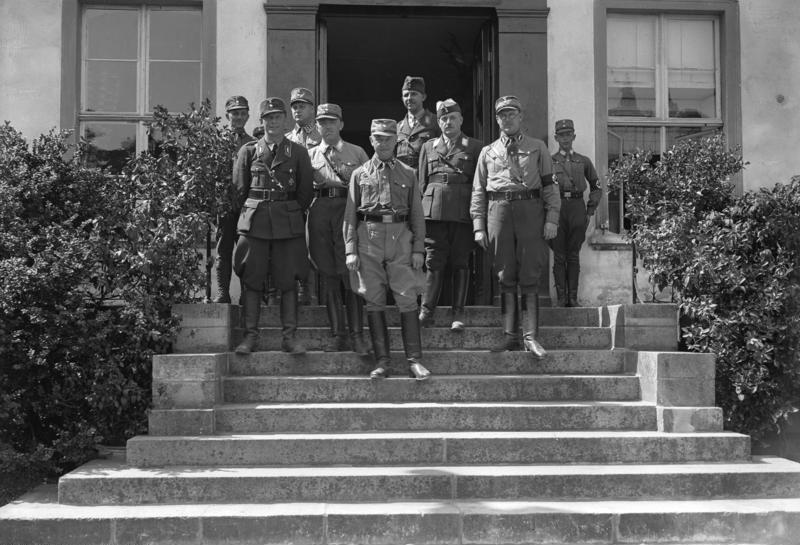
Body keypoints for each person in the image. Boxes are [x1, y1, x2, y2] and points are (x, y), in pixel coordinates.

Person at [470, 95, 560, 359]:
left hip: (530, 211)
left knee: (530, 272)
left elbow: (550, 186)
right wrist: (479, 225)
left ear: (521, 117)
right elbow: (478, 191)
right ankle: (510, 336)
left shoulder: (538, 147)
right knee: (504, 273)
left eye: (512, 114)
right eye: (502, 115)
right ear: (497, 119)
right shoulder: (488, 152)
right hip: (498, 212)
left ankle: (531, 337)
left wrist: (552, 218)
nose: (507, 119)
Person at [343, 119, 430, 381]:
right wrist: (351, 249)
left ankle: (414, 360)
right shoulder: (359, 174)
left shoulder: (408, 173)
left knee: (407, 297)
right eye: (378, 138)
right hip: (368, 238)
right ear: (371, 140)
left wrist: (418, 249)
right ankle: (382, 361)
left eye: (388, 138)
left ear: (397, 141)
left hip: (400, 237)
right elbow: (350, 216)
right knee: (373, 298)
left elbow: (417, 215)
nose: (383, 143)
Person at [232, 97, 314, 355]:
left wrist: (286, 209)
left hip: (287, 223)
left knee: (287, 281)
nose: (273, 122)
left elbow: (305, 192)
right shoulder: (248, 151)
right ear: (262, 121)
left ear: (285, 120)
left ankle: (289, 338)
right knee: (253, 279)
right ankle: (250, 337)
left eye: (278, 117)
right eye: (268, 118)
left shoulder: (298, 152)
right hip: (255, 223)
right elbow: (239, 190)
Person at [307, 103, 371, 355]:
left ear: (341, 124)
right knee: (329, 276)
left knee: (350, 274)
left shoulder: (357, 153)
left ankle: (357, 335)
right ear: (317, 127)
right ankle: (337, 334)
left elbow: (369, 185)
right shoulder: (309, 155)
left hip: (347, 211)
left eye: (332, 121)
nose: (327, 126)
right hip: (320, 212)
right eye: (322, 122)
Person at [417, 98, 483, 331]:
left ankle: (458, 312)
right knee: (433, 261)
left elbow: (479, 185)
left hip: (462, 212)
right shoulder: (428, 147)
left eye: (452, 117)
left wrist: (478, 218)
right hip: (433, 212)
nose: (448, 122)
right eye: (443, 118)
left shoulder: (474, 146)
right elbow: (421, 182)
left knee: (460, 261)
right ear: (438, 121)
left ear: (461, 120)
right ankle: (427, 309)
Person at [550, 119, 602, 307]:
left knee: (573, 255)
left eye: (568, 134)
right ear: (556, 137)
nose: (565, 138)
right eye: (561, 135)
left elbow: (597, 187)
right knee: (558, 256)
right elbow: (543, 188)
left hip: (577, 208)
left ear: (574, 136)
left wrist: (590, 210)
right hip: (558, 208)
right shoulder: (550, 161)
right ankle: (561, 298)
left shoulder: (584, 161)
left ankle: (573, 298)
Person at [213, 95, 255, 304]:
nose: (238, 117)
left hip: (247, 206)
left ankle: (248, 294)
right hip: (224, 204)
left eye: (242, 113)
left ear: (248, 115)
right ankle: (222, 293)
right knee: (223, 249)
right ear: (227, 115)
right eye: (234, 113)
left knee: (247, 250)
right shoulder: (216, 141)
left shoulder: (254, 143)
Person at [285, 86, 321, 305]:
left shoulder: (322, 133)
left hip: (318, 197)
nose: (298, 110)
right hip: (295, 199)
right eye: (295, 107)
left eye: (302, 106)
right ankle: (302, 289)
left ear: (312, 109)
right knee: (297, 245)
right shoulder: (288, 138)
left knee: (319, 245)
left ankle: (321, 293)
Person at [396, 76, 440, 171]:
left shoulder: (436, 122)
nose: (409, 98)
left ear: (423, 97)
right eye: (406, 95)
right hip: (403, 181)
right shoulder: (398, 127)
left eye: (414, 94)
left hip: (426, 179)